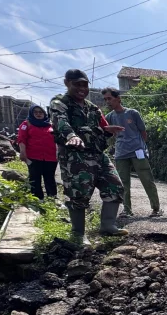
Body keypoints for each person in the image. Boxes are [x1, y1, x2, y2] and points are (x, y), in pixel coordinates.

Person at [49, 69, 127, 245]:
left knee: (114, 186)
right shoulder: (60, 102)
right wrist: (71, 136)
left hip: (98, 154)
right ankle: (78, 234)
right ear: (67, 82)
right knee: (79, 193)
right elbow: (61, 121)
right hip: (74, 156)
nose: (82, 88)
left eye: (85, 85)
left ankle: (108, 226)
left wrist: (108, 130)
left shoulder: (93, 108)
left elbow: (102, 126)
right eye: (77, 84)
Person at [102, 88, 162, 218]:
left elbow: (143, 132)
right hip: (120, 153)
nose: (107, 101)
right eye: (105, 99)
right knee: (123, 183)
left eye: (109, 98)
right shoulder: (110, 117)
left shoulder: (132, 113)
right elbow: (104, 130)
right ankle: (127, 210)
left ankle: (156, 209)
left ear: (118, 99)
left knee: (147, 179)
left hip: (137, 151)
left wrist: (142, 147)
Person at [17, 105, 57, 200]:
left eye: (41, 112)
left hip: (50, 157)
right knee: (35, 178)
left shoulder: (51, 125)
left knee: (50, 178)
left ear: (44, 113)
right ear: (32, 113)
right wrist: (22, 152)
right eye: (36, 112)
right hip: (33, 156)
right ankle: (38, 199)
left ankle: (52, 198)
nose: (38, 114)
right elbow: (21, 139)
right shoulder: (26, 124)